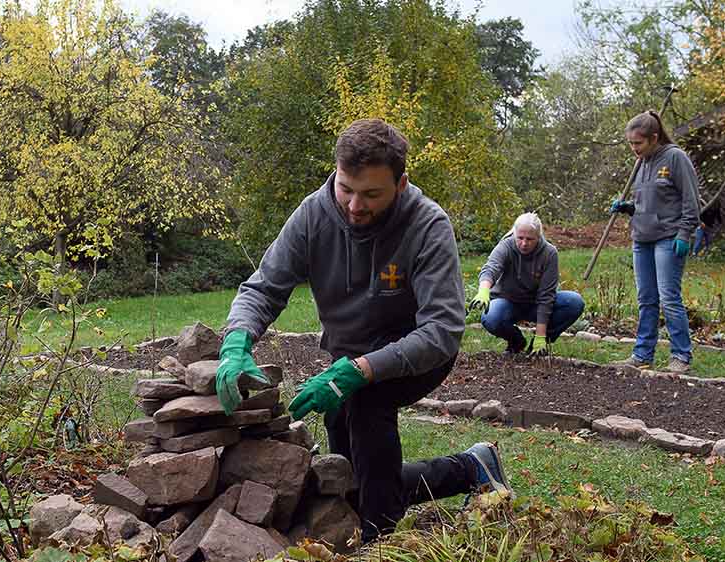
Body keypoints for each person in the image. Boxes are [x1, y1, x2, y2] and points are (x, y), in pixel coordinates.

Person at [213, 118, 512, 544]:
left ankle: (376, 543)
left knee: (368, 407)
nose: (354, 205)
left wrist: (358, 372)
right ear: (336, 172)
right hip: (346, 354)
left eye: (372, 194)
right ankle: (471, 468)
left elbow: (443, 330)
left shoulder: (428, 226)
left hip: (416, 354)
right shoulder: (313, 215)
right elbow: (263, 287)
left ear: (401, 183)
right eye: (346, 189)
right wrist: (236, 341)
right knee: (352, 478)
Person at [608, 111, 700, 374]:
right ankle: (642, 354)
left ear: (654, 138)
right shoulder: (642, 162)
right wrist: (628, 207)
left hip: (668, 239)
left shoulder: (675, 158)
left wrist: (684, 234)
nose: (633, 149)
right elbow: (646, 202)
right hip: (642, 238)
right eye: (630, 144)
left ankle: (680, 355)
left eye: (638, 143)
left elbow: (691, 201)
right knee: (646, 299)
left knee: (669, 298)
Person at [468, 212, 585, 357]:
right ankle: (516, 342)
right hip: (507, 302)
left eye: (530, 239)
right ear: (514, 234)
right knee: (491, 317)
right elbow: (491, 268)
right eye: (520, 238)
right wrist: (484, 290)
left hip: (534, 304)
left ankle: (539, 345)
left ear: (538, 237)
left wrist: (541, 335)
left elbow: (546, 296)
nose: (524, 243)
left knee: (574, 302)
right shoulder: (506, 246)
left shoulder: (549, 253)